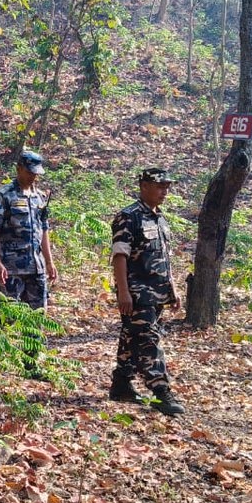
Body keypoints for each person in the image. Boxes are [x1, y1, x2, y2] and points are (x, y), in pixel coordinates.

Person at [109, 167, 184, 416]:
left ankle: (121, 384)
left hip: (158, 292)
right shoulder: (128, 217)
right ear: (144, 186)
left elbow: (164, 256)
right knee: (148, 340)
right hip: (138, 292)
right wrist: (123, 292)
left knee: (132, 337)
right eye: (159, 186)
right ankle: (161, 391)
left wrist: (172, 287)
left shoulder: (159, 218)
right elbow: (120, 256)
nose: (164, 191)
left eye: (166, 186)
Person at [0, 151, 58, 309]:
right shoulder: (3, 196)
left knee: (37, 318)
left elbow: (44, 229)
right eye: (29, 172)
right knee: (7, 317)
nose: (33, 176)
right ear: (19, 169)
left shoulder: (39, 197)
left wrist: (49, 262)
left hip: (36, 268)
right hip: (11, 268)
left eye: (36, 173)